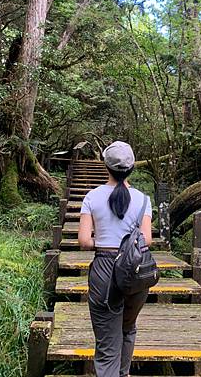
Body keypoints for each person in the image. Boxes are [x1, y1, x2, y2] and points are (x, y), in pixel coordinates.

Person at [78, 141, 152, 377]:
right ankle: (124, 373)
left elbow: (84, 241)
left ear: (105, 166)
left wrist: (103, 240)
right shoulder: (143, 199)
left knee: (107, 343)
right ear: (131, 169)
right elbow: (147, 240)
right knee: (128, 328)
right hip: (135, 272)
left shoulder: (92, 197)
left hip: (104, 272)